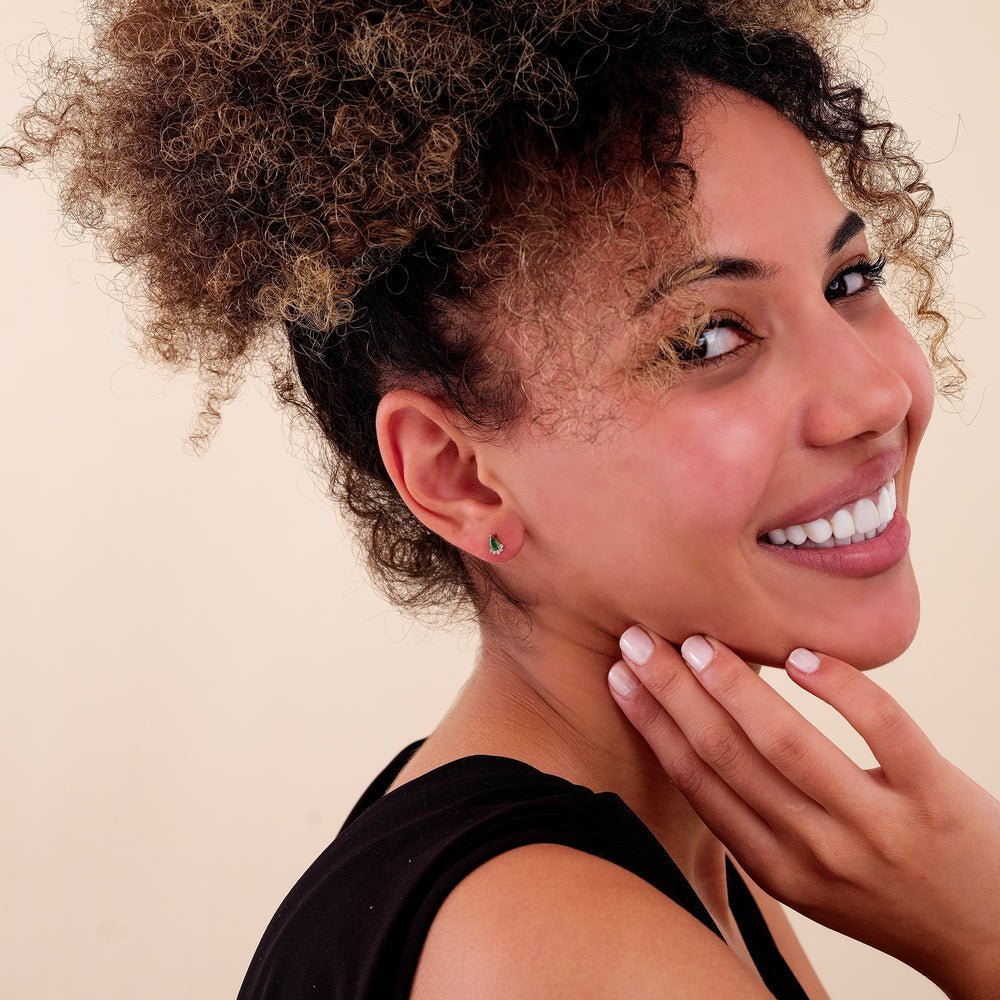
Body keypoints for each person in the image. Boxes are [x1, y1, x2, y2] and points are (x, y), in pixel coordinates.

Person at [5, 1, 999, 997]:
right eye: (709, 338)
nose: (876, 394)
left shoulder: (673, 842)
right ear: (457, 474)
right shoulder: (562, 949)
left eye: (850, 279)